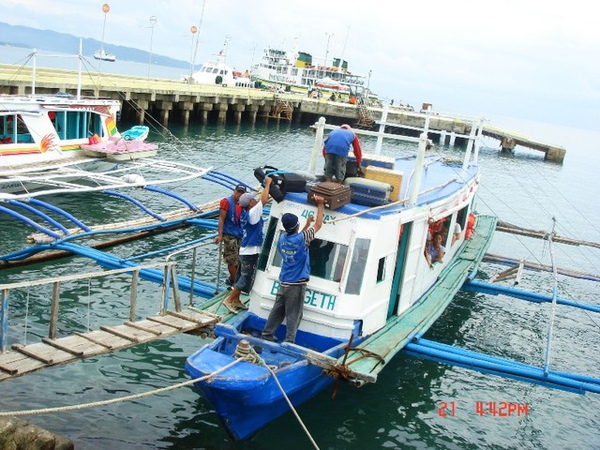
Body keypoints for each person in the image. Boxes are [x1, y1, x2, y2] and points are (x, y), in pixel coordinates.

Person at [261, 194, 326, 343]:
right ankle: (289, 341)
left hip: (284, 282)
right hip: (296, 285)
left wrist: (306, 224)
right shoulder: (302, 239)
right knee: (294, 314)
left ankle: (267, 334)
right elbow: (319, 225)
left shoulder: (283, 239)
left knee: (277, 311)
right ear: (296, 226)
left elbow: (298, 235)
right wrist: (320, 205)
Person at [223, 177, 272, 313]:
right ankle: (229, 299)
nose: (255, 200)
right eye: (253, 199)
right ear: (250, 203)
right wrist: (268, 184)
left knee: (240, 276)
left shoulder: (246, 213)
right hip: (250, 252)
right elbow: (264, 199)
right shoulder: (253, 212)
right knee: (245, 278)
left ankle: (236, 300)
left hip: (245, 250)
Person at [214, 183, 246, 286]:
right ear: (234, 191)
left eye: (242, 193)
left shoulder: (242, 203)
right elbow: (221, 218)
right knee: (231, 260)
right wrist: (220, 235)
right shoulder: (226, 202)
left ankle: (235, 280)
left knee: (239, 260)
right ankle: (235, 281)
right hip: (230, 235)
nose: (239, 194)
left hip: (239, 234)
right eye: (238, 192)